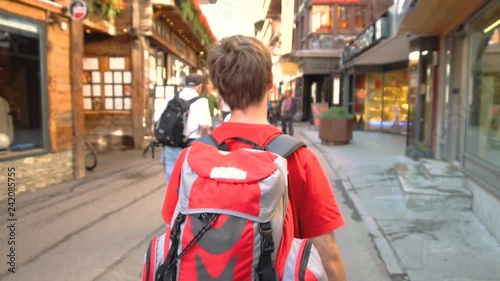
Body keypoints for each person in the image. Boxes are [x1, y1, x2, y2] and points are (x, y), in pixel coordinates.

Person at [161, 35, 346, 280]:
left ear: (219, 90)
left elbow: (173, 238)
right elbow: (326, 253)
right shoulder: (298, 159)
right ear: (270, 82)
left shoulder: (191, 160)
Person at [161, 74, 211, 184]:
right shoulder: (201, 101)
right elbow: (204, 126)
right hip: (189, 146)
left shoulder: (171, 98)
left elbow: (159, 119)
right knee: (187, 183)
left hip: (169, 145)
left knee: (171, 183)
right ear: (200, 86)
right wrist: (205, 142)